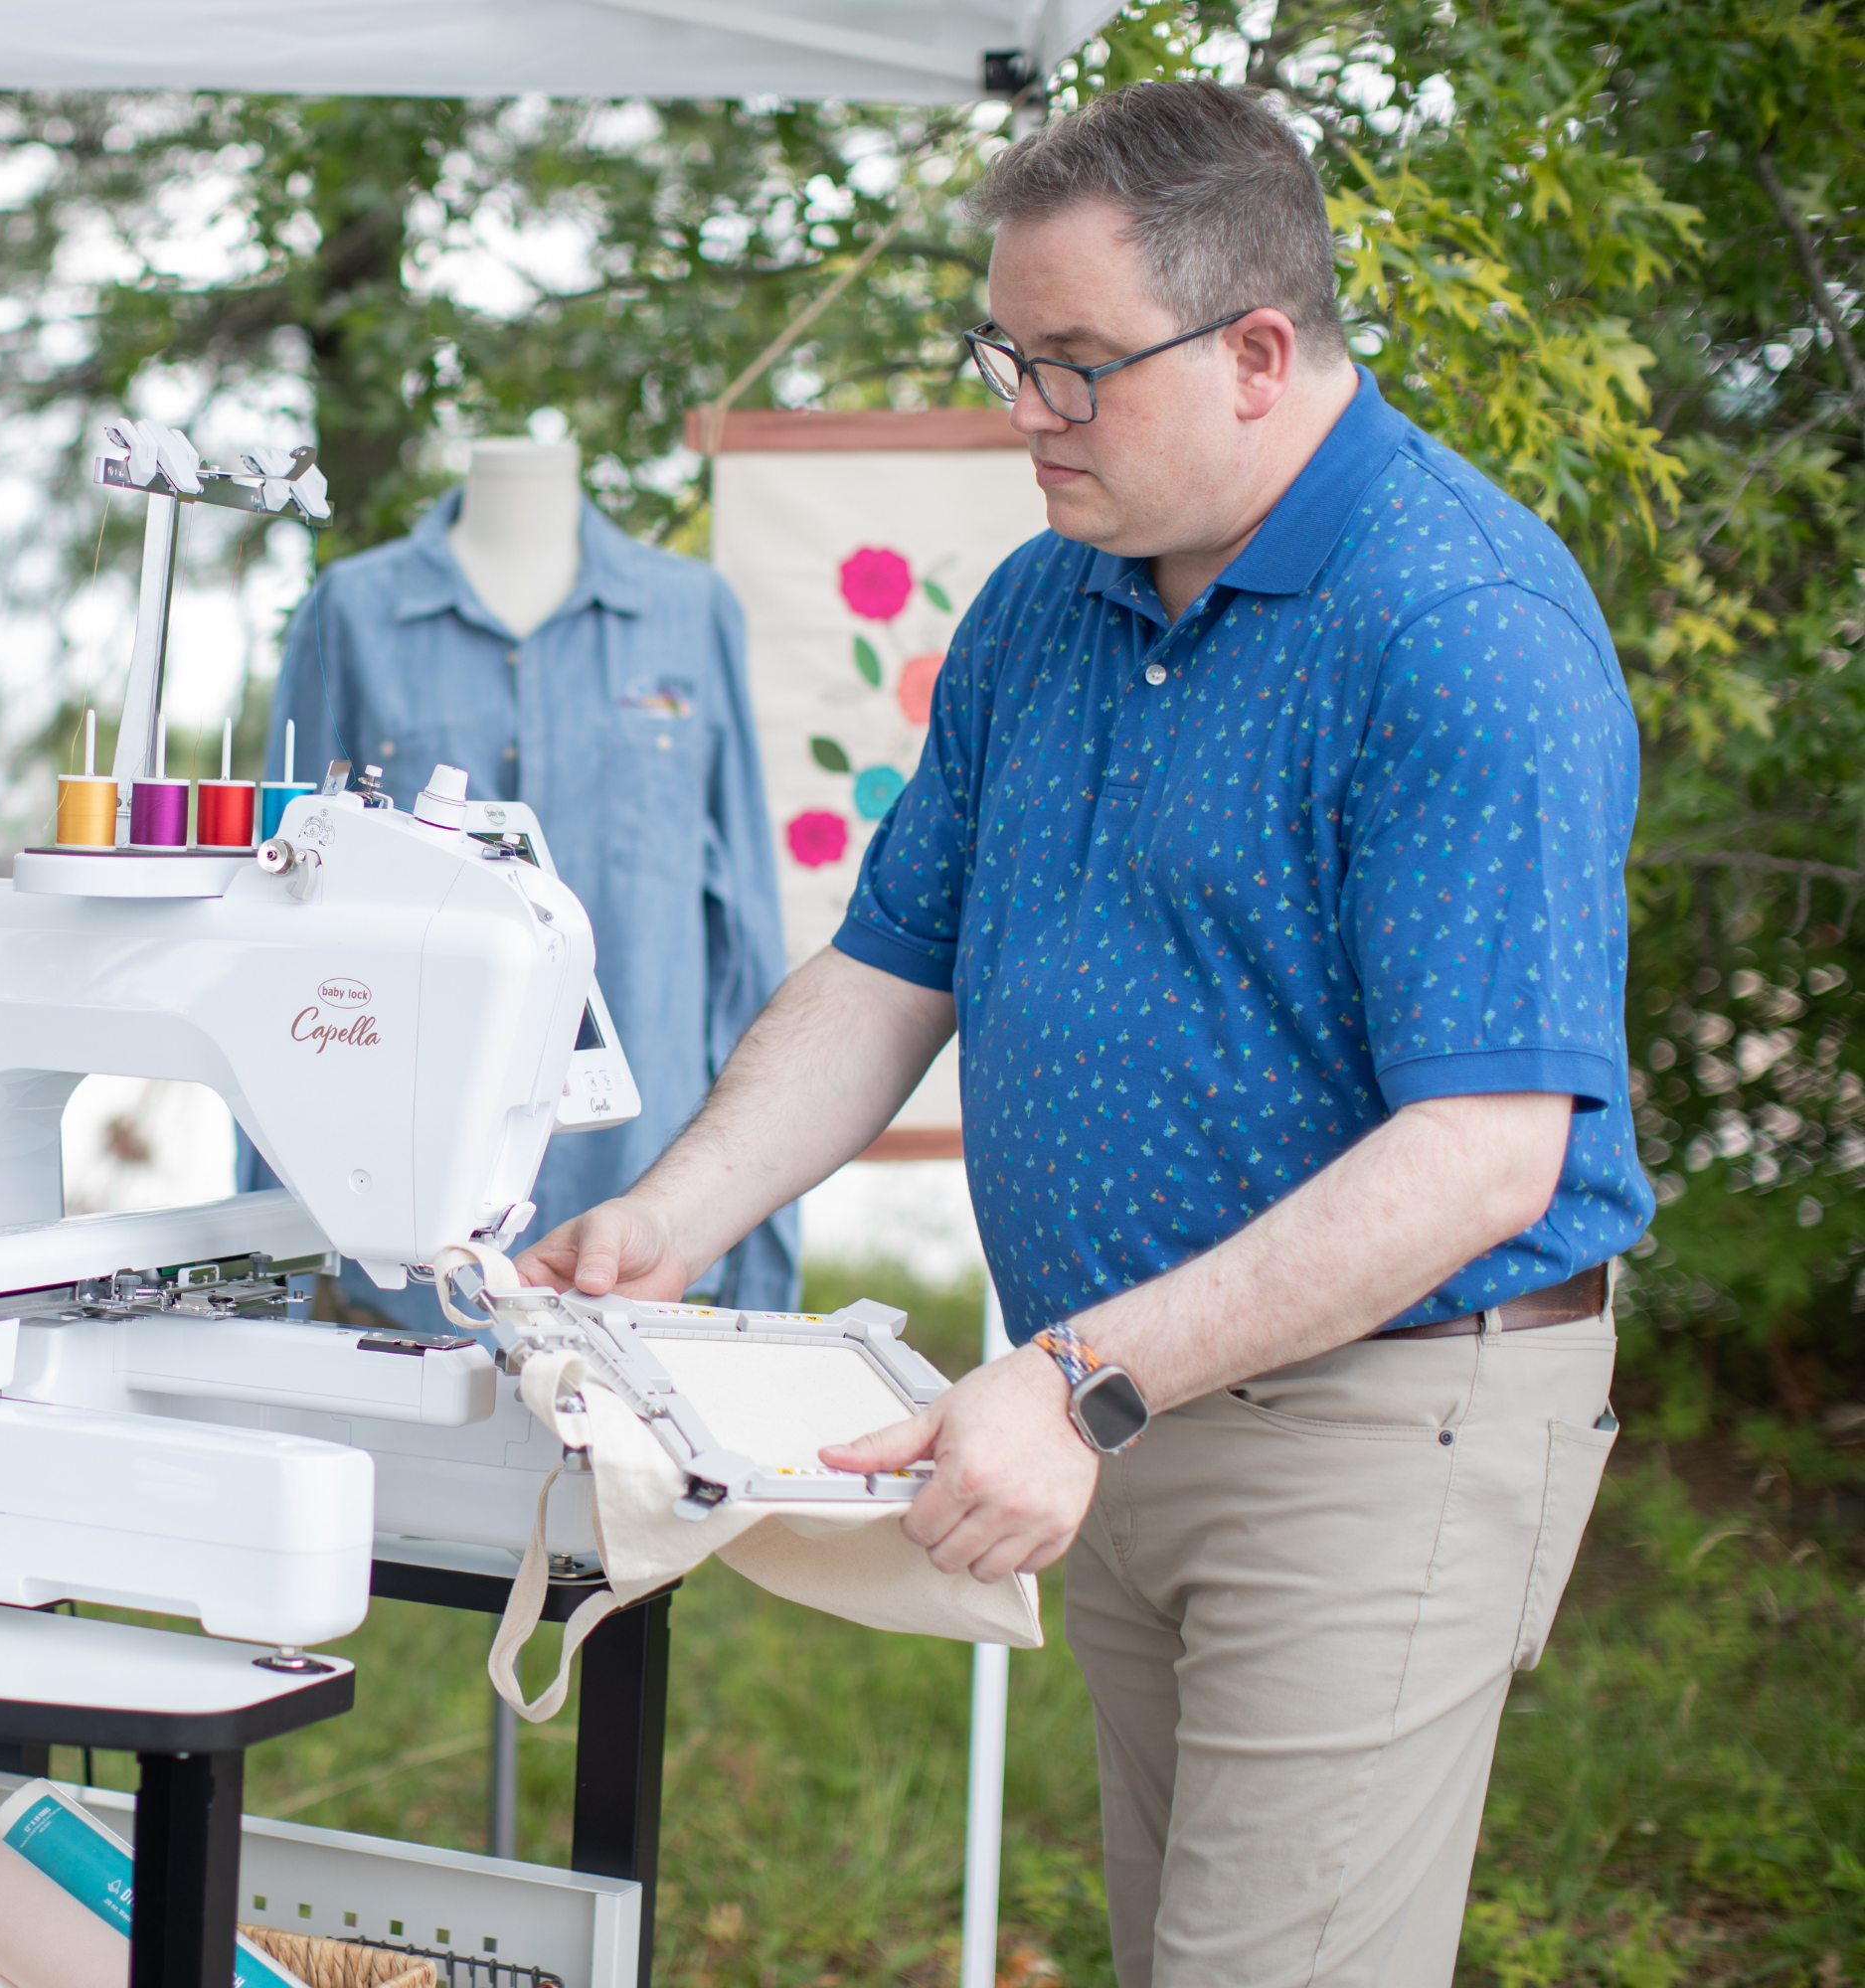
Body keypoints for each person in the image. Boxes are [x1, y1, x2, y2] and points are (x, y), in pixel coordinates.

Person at [519, 80, 1648, 1987]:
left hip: (1384, 1411)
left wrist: (1081, 1382)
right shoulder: (1048, 605)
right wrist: (671, 1219)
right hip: (1108, 1392)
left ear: (1259, 353)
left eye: (1073, 368)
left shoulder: (1463, 626)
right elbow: (892, 971)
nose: (1021, 414)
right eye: (1005, 354)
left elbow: (1489, 1150)